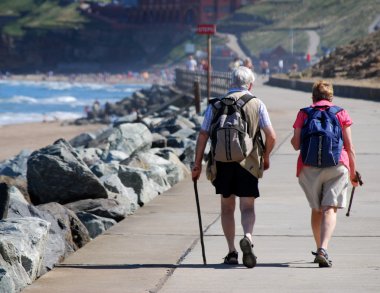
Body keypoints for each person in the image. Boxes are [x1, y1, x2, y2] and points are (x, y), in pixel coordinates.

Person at [192, 66, 276, 268]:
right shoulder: (257, 103)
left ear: (230, 82)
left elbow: (203, 134)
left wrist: (197, 165)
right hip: (248, 162)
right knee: (247, 207)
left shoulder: (215, 105)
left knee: (227, 207)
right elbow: (271, 135)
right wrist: (265, 157)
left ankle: (231, 251)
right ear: (250, 84)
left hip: (222, 162)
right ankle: (247, 236)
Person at [290, 80, 358, 268]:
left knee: (316, 209)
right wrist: (353, 173)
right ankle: (323, 249)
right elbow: (349, 146)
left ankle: (318, 246)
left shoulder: (304, 113)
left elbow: (296, 145)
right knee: (330, 208)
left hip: (308, 167)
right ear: (331, 97)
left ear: (313, 97)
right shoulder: (341, 113)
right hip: (337, 166)